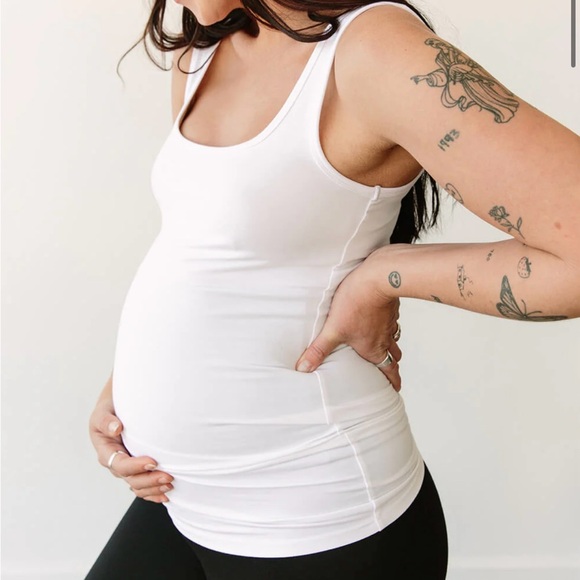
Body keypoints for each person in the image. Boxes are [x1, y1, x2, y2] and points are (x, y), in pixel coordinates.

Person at [86, 0, 580, 577]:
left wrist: (383, 275)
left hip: (317, 514)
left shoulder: (374, 50)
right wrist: (129, 384)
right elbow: (210, 249)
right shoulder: (204, 47)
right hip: (178, 497)